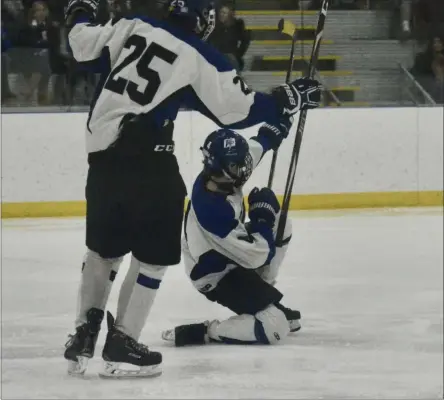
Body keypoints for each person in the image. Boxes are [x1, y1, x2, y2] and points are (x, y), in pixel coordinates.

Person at [62, 0, 322, 379]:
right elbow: (237, 108)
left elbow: (81, 43)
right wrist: (287, 99)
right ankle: (122, 343)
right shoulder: (198, 54)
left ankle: (83, 334)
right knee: (151, 259)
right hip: (149, 159)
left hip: (101, 160)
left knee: (103, 251)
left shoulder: (133, 26)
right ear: (203, 22)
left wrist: (80, 11)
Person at [161, 119, 302, 347]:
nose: (245, 168)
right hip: (216, 274)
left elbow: (252, 152)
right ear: (223, 169)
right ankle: (207, 331)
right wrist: (261, 218)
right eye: (238, 165)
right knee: (274, 328)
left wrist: (272, 131)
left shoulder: (223, 175)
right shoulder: (213, 212)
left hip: (229, 254)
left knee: (282, 224)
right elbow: (258, 254)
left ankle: (264, 297)